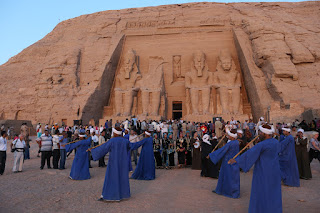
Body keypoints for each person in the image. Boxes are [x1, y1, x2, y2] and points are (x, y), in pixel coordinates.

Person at [228, 124, 282, 213]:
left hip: (263, 171)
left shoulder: (262, 144)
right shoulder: (276, 142)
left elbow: (249, 154)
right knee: (273, 192)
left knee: (262, 191)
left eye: (260, 132)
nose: (259, 134)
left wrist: (236, 160)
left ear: (265, 133)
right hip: (275, 171)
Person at [89, 127, 142, 201]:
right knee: (121, 178)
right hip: (123, 163)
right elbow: (133, 146)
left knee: (111, 178)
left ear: (114, 133)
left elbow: (103, 149)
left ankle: (110, 195)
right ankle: (122, 195)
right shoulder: (125, 141)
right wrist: (142, 142)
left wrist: (92, 150)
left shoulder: (112, 141)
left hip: (113, 163)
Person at [208, 128, 240, 198]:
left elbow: (222, 151)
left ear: (232, 136)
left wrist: (211, 155)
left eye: (229, 135)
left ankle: (224, 191)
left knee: (226, 176)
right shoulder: (237, 142)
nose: (228, 136)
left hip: (227, 162)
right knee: (233, 177)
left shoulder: (230, 144)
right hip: (234, 161)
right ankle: (233, 191)